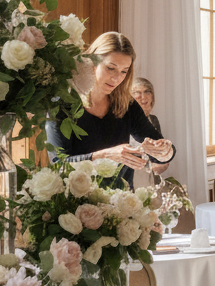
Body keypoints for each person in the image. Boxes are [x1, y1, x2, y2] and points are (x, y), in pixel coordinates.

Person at [45, 32, 175, 190]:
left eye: (124, 71)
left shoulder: (127, 105)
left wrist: (164, 150)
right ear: (91, 62)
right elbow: (59, 166)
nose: (116, 78)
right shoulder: (63, 104)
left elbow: (161, 155)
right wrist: (105, 156)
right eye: (110, 68)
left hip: (122, 206)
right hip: (75, 205)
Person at [131, 77, 169, 181]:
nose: (143, 97)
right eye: (137, 92)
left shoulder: (153, 119)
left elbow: (161, 152)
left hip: (152, 177)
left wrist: (164, 158)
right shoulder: (124, 121)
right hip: (132, 177)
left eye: (147, 91)